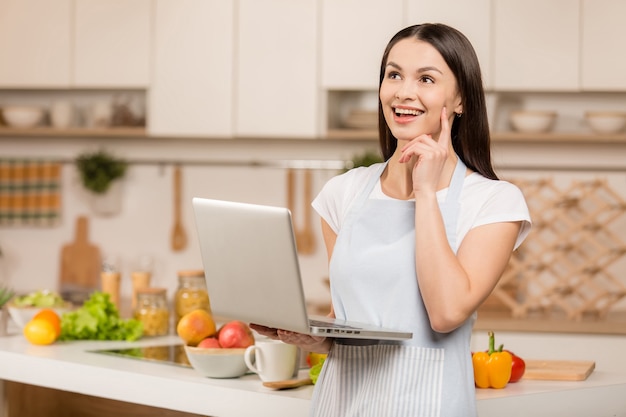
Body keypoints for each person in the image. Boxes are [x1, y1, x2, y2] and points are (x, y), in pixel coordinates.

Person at [251, 23, 531, 416]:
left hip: (429, 405)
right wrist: (312, 337)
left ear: (461, 99)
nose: (403, 92)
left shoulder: (494, 202)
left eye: (426, 79)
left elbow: (447, 313)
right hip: (341, 403)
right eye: (394, 74)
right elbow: (347, 325)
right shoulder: (343, 194)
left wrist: (426, 191)